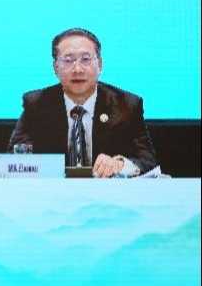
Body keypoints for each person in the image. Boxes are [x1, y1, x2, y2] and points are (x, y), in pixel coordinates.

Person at [8, 27, 157, 177]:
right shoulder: (37, 104)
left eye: (85, 59)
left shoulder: (126, 105)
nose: (77, 69)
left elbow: (148, 160)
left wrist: (121, 164)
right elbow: (15, 158)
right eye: (68, 60)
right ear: (55, 68)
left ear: (100, 64)